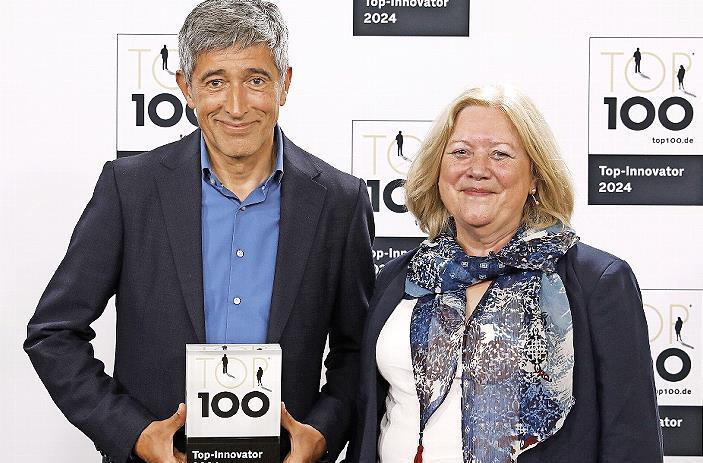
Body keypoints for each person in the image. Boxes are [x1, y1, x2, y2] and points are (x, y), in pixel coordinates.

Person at [24, 1, 375, 463]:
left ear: (285, 83)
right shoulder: (130, 189)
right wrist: (133, 434)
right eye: (214, 82)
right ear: (185, 88)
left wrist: (322, 434)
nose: (236, 106)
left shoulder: (340, 201)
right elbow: (53, 333)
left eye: (255, 80)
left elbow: (358, 350)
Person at [350, 85, 662, 463]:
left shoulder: (598, 282)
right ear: (438, 170)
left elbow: (631, 439)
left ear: (535, 178)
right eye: (460, 152)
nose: (478, 170)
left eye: (500, 154)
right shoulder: (402, 277)